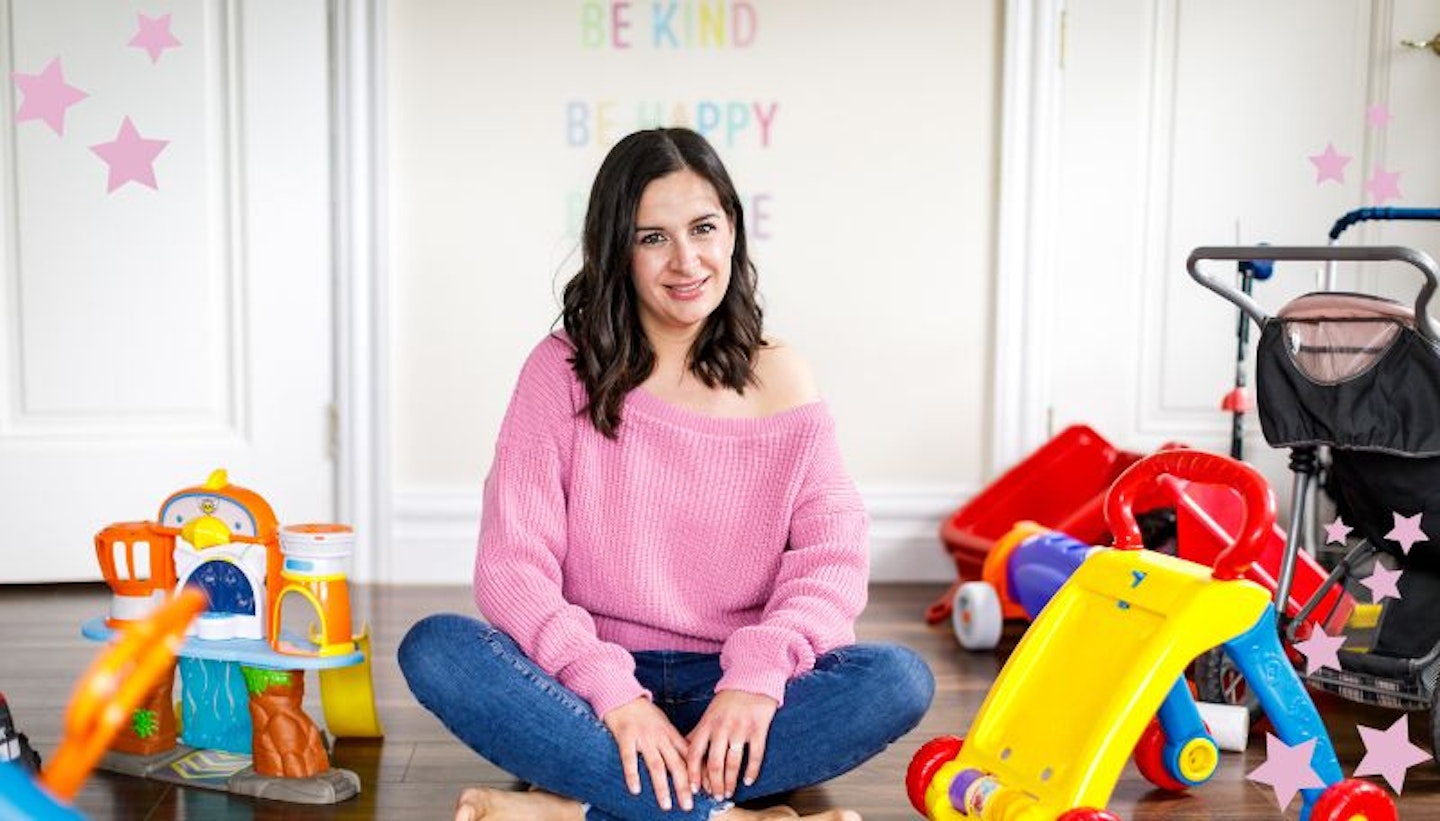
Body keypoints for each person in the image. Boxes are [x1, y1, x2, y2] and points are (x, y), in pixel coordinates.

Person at [398, 127, 934, 821]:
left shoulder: (782, 374)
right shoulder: (560, 370)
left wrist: (756, 678)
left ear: (733, 231)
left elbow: (832, 558)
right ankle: (719, 814)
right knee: (438, 648)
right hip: (587, 683)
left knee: (897, 679)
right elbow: (513, 566)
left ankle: (581, 803)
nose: (687, 260)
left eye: (704, 228)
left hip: (733, 683)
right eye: (652, 238)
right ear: (616, 248)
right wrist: (614, 695)